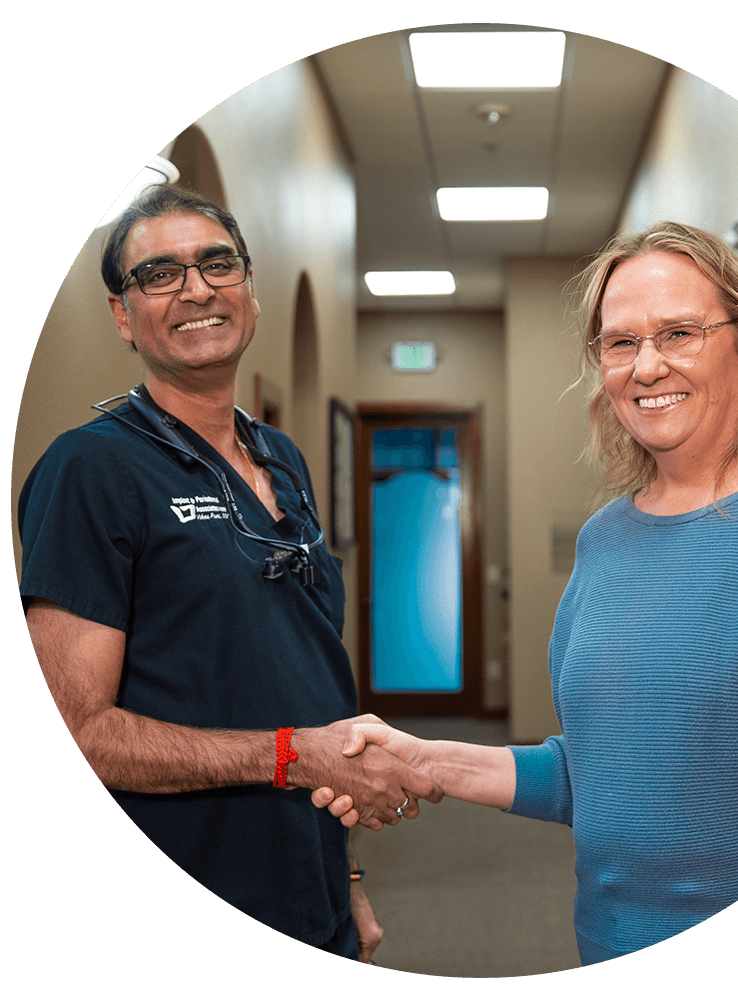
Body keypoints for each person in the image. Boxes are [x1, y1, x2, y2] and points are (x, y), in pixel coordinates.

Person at [312, 222, 738, 965]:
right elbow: (604, 771)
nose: (646, 366)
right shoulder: (606, 538)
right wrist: (426, 761)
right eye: (619, 343)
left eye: (678, 333)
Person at [19, 183, 440, 961]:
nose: (196, 289)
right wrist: (288, 756)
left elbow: (307, 678)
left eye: (218, 264)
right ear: (122, 315)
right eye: (159, 274)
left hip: (308, 885)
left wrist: (345, 878)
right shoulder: (90, 469)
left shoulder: (282, 458)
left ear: (249, 290)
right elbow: (81, 733)